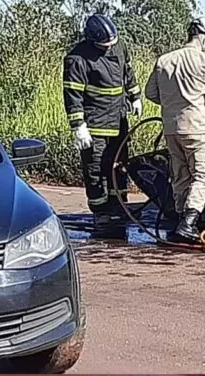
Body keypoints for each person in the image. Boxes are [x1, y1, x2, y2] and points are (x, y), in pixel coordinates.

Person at [144, 17, 205, 243]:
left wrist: (173, 103)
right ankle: (189, 223)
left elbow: (150, 93)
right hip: (197, 128)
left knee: (181, 174)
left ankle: (179, 222)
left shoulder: (164, 60)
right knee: (203, 174)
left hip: (171, 129)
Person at [62, 13, 143, 239]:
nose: (109, 47)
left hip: (118, 119)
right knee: (96, 169)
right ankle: (101, 212)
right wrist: (78, 125)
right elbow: (73, 94)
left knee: (119, 166)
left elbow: (128, 72)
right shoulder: (77, 59)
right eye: (105, 44)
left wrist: (135, 96)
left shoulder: (120, 47)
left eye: (112, 43)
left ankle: (120, 206)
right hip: (94, 124)